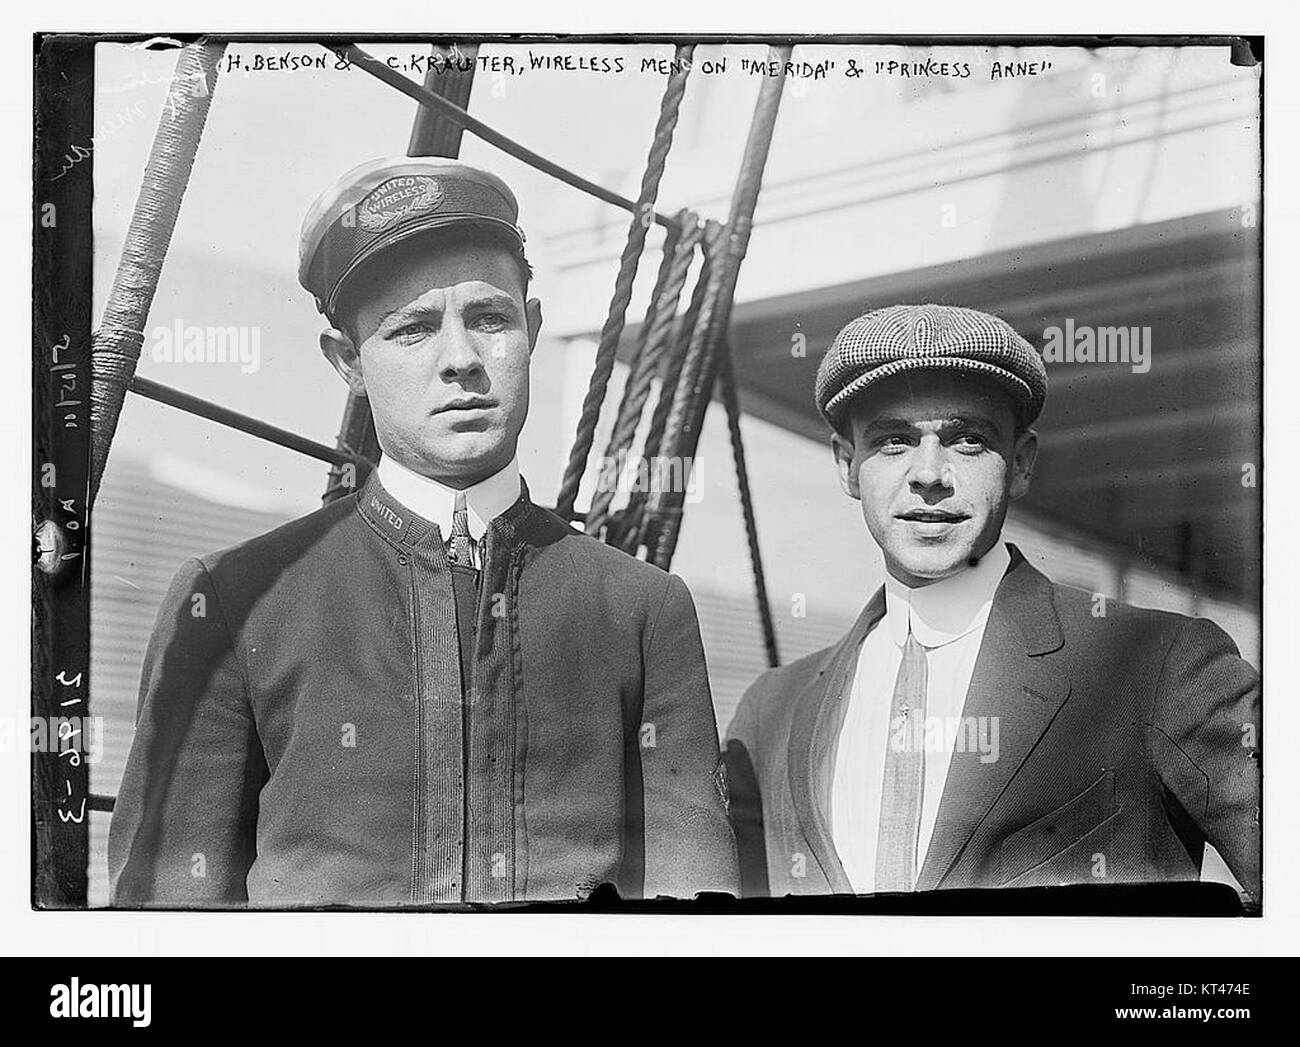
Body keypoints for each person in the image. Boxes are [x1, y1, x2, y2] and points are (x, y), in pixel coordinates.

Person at [109, 156, 738, 907]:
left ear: (532, 330)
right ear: (349, 362)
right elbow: (168, 921)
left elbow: (699, 914)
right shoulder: (234, 603)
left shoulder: (642, 610)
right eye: (411, 330)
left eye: (490, 318)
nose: (463, 361)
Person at [724, 303, 1260, 906]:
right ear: (848, 466)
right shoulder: (768, 714)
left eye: (969, 440)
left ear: (1022, 463)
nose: (929, 474)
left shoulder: (1164, 666)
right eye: (894, 441)